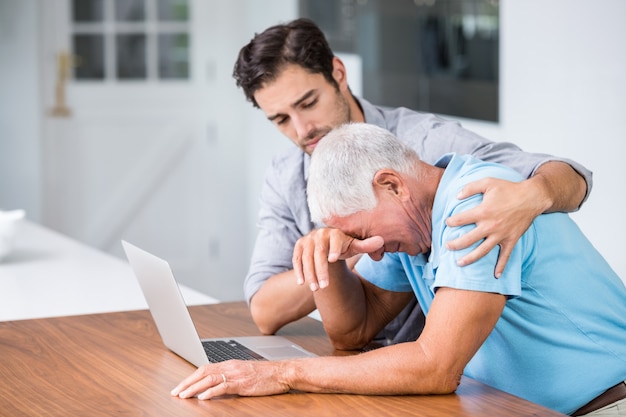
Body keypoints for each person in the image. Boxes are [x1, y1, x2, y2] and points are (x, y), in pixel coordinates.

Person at [172, 123, 626, 416]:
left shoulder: (477, 206)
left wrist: (281, 373)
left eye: (364, 232)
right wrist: (330, 257)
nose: (371, 251)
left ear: (391, 185)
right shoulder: (413, 225)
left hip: (604, 406)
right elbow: (354, 331)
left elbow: (435, 366)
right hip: (517, 407)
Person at [235, 18, 592, 342]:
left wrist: (532, 194)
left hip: (445, 361)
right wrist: (343, 248)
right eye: (281, 120)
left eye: (308, 103)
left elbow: (571, 177)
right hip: (365, 352)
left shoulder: (425, 147)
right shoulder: (286, 174)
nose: (302, 130)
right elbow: (265, 311)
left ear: (338, 74)